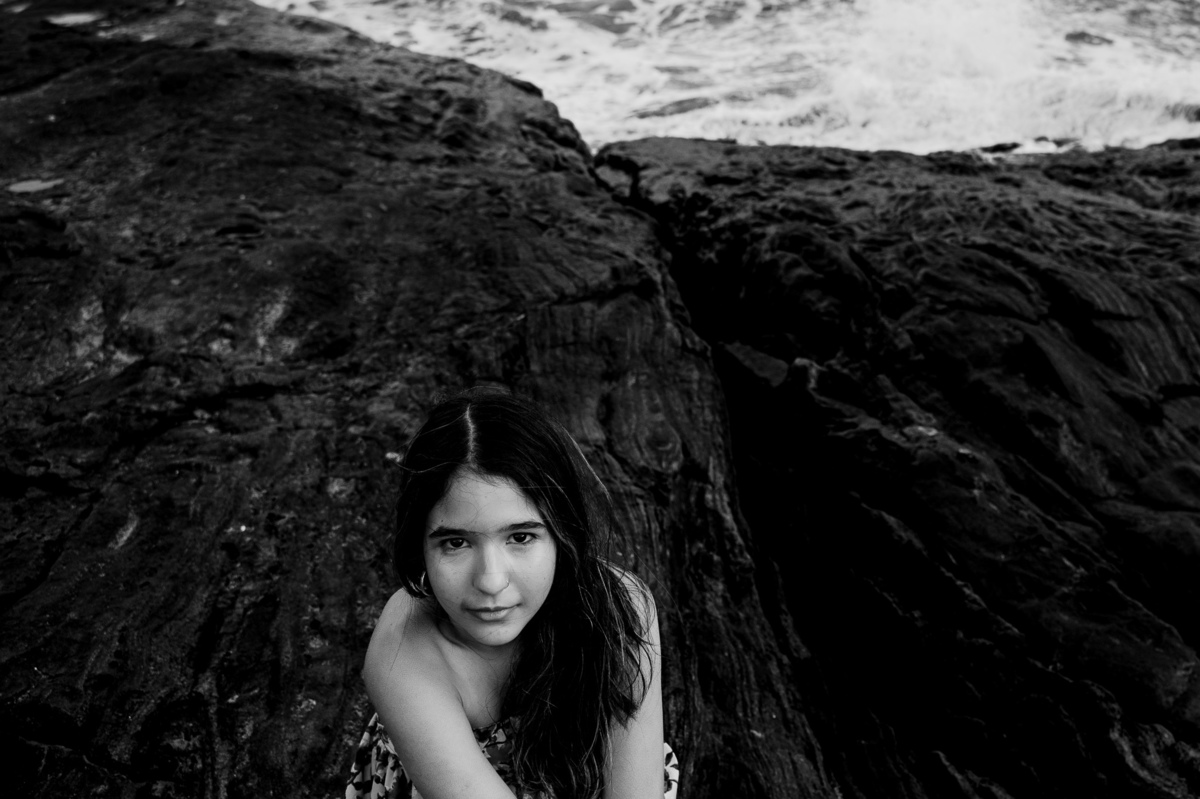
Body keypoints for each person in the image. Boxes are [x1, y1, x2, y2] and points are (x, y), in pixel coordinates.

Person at [345, 389, 679, 799]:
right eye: (456, 543)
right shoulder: (403, 655)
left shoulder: (620, 608)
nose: (490, 581)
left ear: (562, 532)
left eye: (520, 536)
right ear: (420, 547)